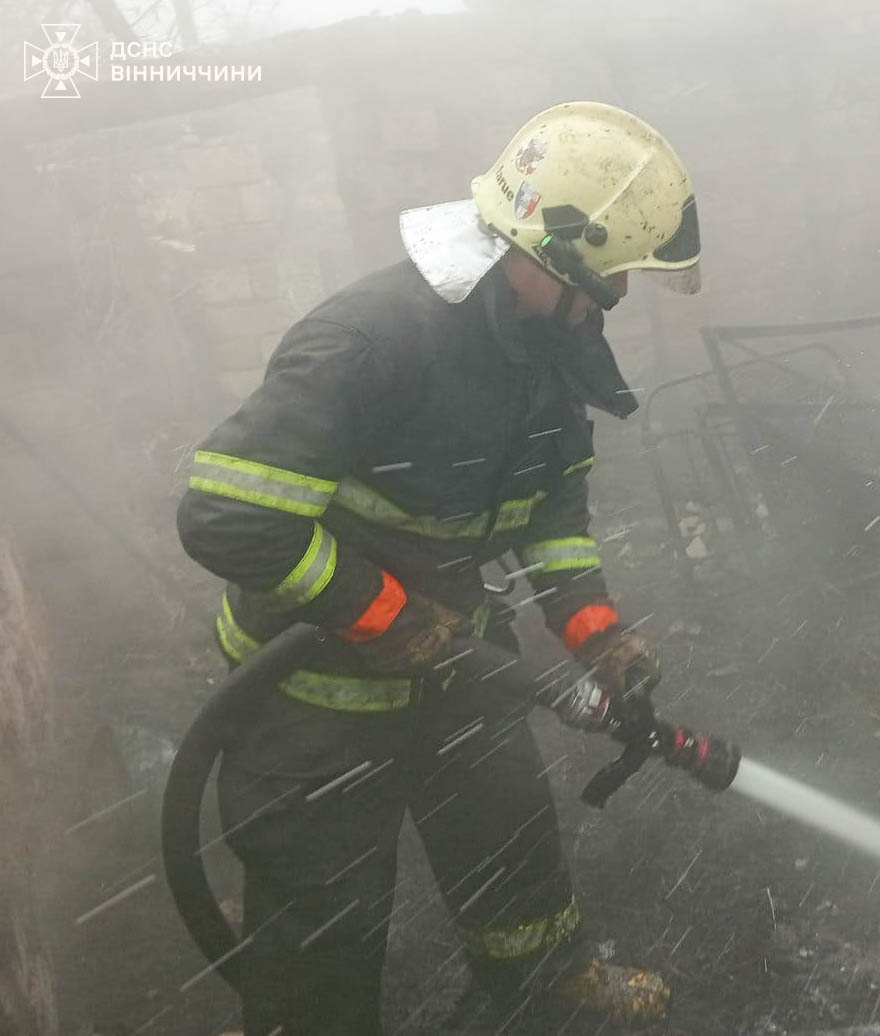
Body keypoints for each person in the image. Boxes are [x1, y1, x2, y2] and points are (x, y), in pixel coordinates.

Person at [176, 100, 702, 1034]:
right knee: (322, 923)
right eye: (609, 270)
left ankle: (546, 988)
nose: (617, 291)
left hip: (461, 664)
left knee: (510, 846)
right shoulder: (372, 340)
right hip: (308, 695)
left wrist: (596, 634)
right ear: (543, 248)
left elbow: (552, 507)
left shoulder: (547, 340)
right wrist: (384, 615)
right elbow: (230, 517)